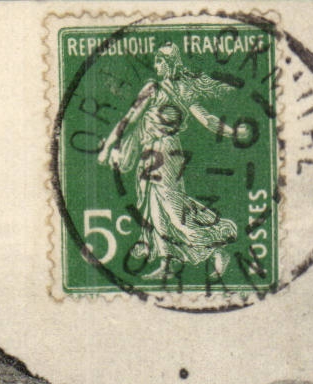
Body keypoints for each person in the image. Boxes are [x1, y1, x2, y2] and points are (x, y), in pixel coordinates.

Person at [95, 42, 253, 280]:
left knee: (173, 212)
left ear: (171, 64)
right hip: (148, 154)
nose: (156, 66)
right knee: (153, 210)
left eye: (161, 61)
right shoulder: (152, 88)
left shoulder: (183, 91)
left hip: (167, 153)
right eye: (156, 61)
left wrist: (233, 133)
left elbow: (207, 119)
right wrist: (109, 146)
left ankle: (217, 251)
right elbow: (129, 118)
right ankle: (168, 265)